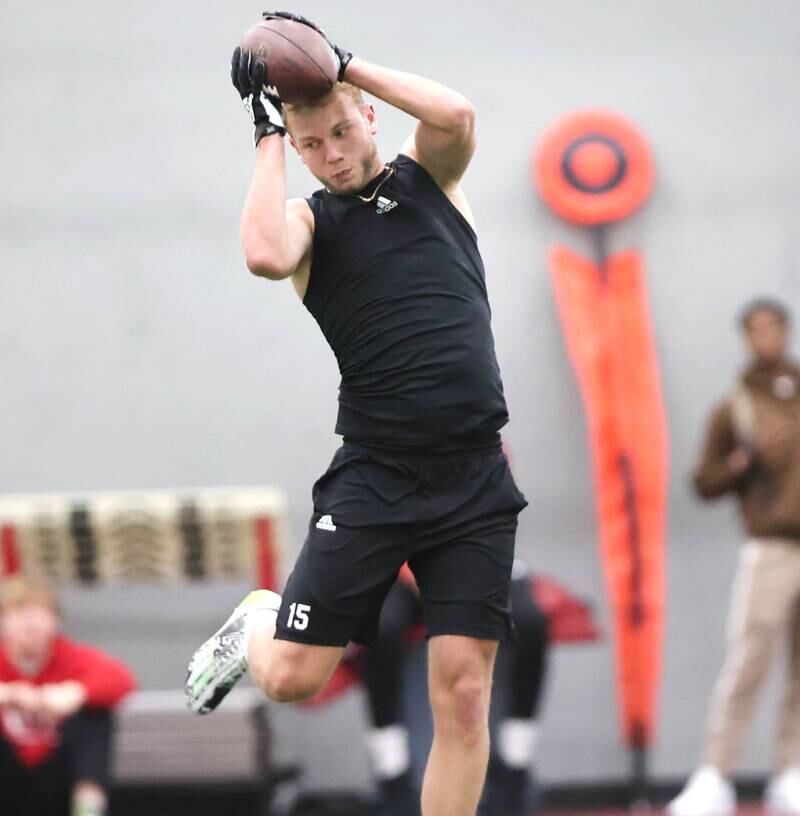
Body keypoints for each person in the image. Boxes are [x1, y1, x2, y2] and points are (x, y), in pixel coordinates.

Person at [185, 11, 527, 816]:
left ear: (369, 115)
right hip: (375, 479)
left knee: (465, 695)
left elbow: (457, 115)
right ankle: (258, 622)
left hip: (475, 478)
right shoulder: (311, 223)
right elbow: (264, 254)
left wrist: (346, 64)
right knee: (290, 680)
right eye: (315, 144)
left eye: (342, 131)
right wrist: (269, 135)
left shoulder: (431, 179)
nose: (333, 153)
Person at [668, 298, 800, 816]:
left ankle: (791, 769)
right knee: (749, 659)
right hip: (769, 545)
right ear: (746, 337)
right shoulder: (737, 406)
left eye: (773, 328)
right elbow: (704, 480)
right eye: (756, 330)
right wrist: (743, 463)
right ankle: (716, 773)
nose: (765, 338)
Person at [363, 564, 549, 816]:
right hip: (401, 563)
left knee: (529, 620)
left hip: (472, 558)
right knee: (379, 626)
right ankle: (392, 773)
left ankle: (514, 766)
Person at [0, 575, 136, 816]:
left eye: (40, 614)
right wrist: (10, 694)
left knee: (94, 713)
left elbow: (121, 679)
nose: (30, 624)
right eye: (20, 614)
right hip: (9, 780)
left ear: (55, 621)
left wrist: (75, 693)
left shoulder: (70, 657)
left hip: (57, 780)